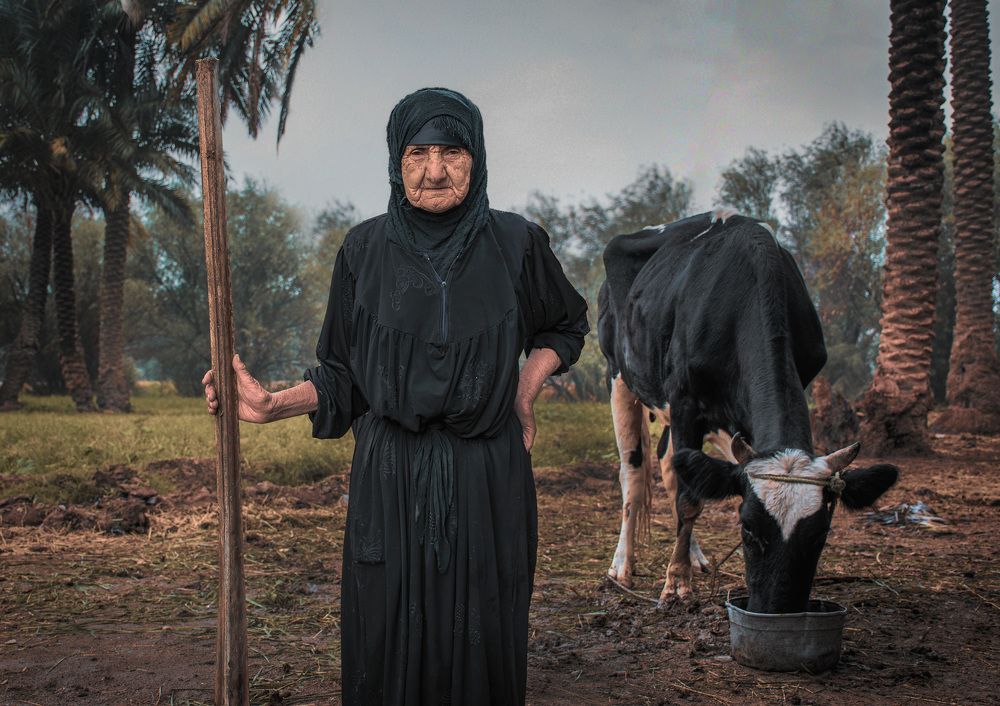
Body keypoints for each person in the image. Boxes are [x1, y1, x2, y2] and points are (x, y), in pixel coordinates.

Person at [202, 87, 588, 705]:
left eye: (452, 152)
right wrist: (272, 405)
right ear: (395, 158)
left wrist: (524, 385)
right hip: (391, 478)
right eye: (418, 152)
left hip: (486, 476)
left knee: (485, 632)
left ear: (477, 157)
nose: (435, 170)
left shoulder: (517, 243)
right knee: (385, 637)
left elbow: (565, 326)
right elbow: (343, 376)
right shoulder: (362, 250)